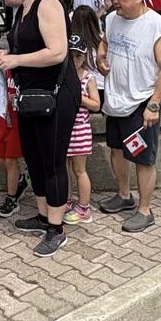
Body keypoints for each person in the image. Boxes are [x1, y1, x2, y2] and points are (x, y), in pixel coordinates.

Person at [0, 0, 80, 257]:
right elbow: (24, 45)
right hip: (32, 93)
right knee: (33, 155)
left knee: (52, 159)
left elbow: (58, 52)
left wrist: (16, 60)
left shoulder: (47, 3)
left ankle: (57, 229)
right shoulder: (24, 8)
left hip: (56, 94)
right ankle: (44, 215)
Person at [97, 0, 161, 234]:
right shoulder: (111, 19)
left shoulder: (157, 26)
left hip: (141, 101)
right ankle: (123, 194)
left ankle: (145, 209)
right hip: (116, 99)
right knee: (116, 150)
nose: (114, 0)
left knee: (142, 157)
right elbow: (104, 42)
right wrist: (100, 57)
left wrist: (153, 105)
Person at [62, 33, 100, 225]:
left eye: (78, 56)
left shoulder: (88, 78)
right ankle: (67, 201)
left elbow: (96, 104)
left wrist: (78, 96)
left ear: (84, 56)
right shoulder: (62, 75)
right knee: (65, 168)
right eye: (71, 55)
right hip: (64, 128)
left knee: (79, 169)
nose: (74, 60)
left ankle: (84, 207)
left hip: (80, 129)